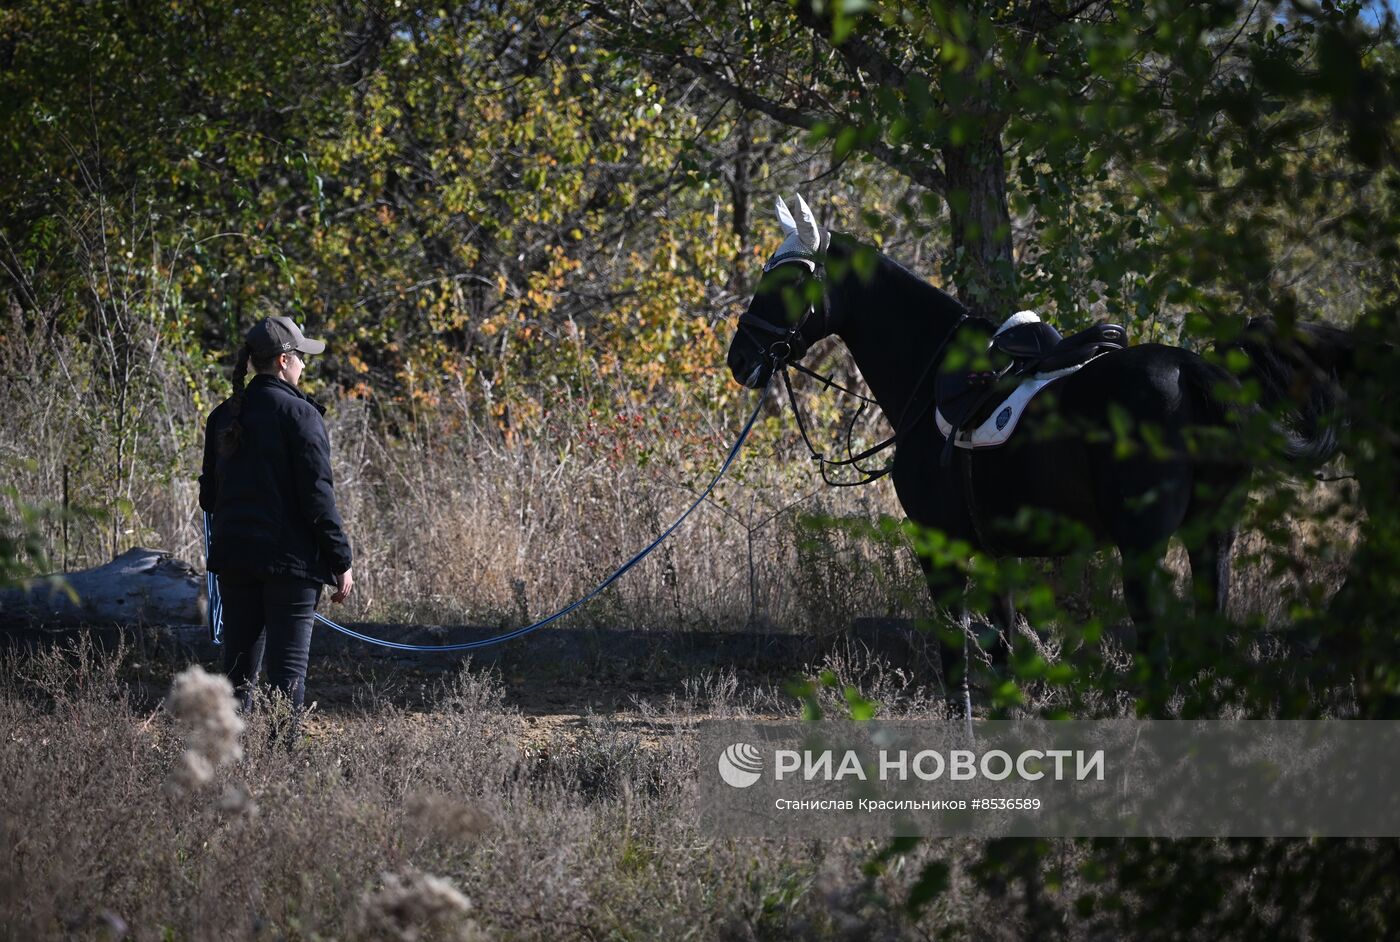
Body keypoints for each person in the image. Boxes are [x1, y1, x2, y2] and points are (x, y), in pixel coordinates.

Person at [198, 314, 354, 729]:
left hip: (235, 561)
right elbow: (318, 498)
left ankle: (226, 762)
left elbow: (208, 497)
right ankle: (280, 768)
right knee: (287, 677)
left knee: (236, 677)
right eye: (301, 356)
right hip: (291, 565)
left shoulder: (222, 417)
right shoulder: (300, 415)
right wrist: (341, 561)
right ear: (284, 361)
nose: (305, 364)